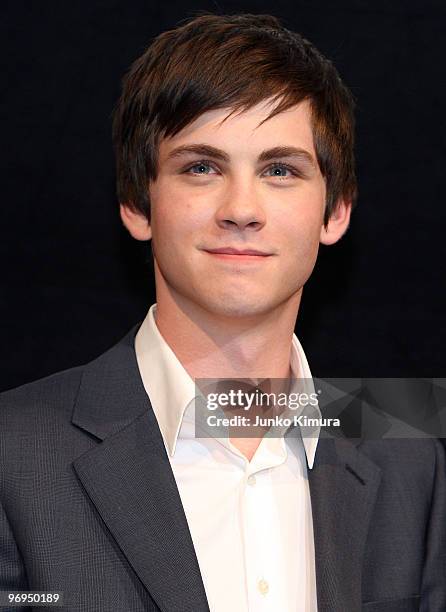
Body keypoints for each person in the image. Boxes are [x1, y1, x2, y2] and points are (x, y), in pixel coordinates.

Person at [0, 12, 444, 612]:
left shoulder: (408, 452)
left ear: (334, 211)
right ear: (138, 202)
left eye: (279, 170)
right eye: (201, 168)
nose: (241, 208)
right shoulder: (14, 452)